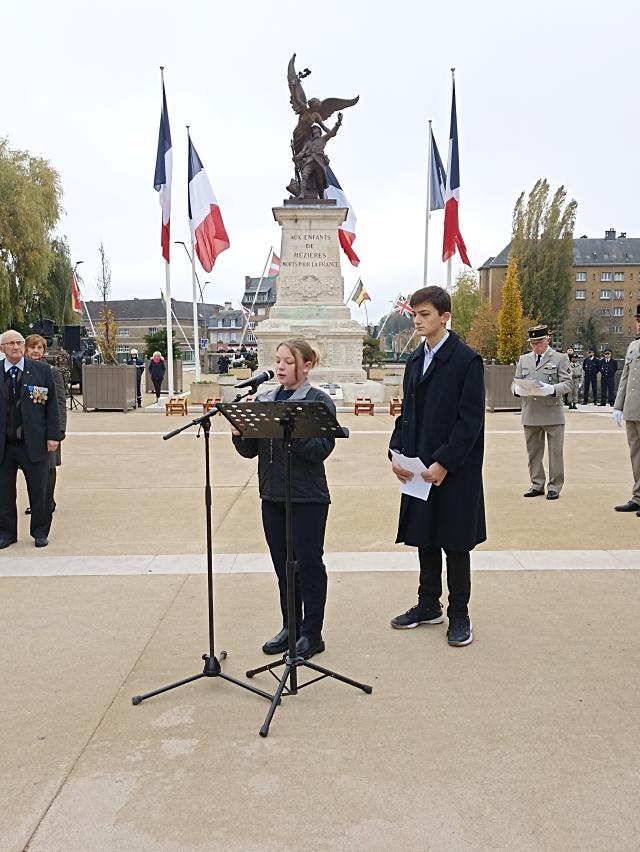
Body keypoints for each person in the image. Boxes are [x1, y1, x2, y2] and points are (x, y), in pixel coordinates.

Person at [389, 286, 485, 648]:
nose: (417, 320)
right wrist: (395, 451)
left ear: (444, 317)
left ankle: (459, 613)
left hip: (453, 470)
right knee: (424, 537)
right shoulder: (415, 360)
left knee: (455, 543)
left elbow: (470, 421)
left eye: (425, 314)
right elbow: (408, 413)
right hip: (417, 466)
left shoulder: (465, 360)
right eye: (415, 314)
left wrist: (445, 461)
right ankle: (429, 604)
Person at [231, 339, 335, 660]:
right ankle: (291, 625)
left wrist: (289, 431)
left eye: (288, 361)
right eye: (278, 360)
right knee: (283, 567)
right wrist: (240, 432)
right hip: (272, 496)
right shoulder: (266, 400)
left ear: (306, 366)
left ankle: (311, 634)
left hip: (307, 499)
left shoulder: (318, 402)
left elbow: (321, 450)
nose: (280, 367)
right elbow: (252, 451)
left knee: (307, 566)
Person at [0, 329, 60, 548]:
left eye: (19, 343)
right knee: (4, 491)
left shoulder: (42, 371)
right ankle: (6, 533)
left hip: (33, 441)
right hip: (5, 444)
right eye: (10, 344)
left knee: (39, 490)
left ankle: (40, 531)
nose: (15, 347)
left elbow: (52, 406)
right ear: (2, 349)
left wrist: (54, 436)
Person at [512, 324, 572, 500]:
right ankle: (537, 484)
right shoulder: (524, 359)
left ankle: (554, 486)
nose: (535, 346)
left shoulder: (560, 358)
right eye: (532, 343)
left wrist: (551, 389)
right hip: (531, 412)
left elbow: (568, 383)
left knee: (555, 453)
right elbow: (515, 382)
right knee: (534, 453)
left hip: (552, 413)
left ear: (548, 340)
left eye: (539, 342)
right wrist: (517, 390)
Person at [24, 334, 67, 516]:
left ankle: (48, 501)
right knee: (32, 468)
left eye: (39, 348)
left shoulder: (51, 371)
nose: (35, 351)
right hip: (28, 428)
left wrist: (59, 429)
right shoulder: (20, 371)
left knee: (49, 466)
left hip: (49, 427)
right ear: (26, 350)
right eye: (32, 347)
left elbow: (60, 401)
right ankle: (36, 502)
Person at [613, 304, 640, 514]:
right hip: (632, 410)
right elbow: (624, 379)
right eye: (638, 320)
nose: (638, 324)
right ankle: (638, 496)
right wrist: (618, 406)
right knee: (636, 455)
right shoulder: (633, 346)